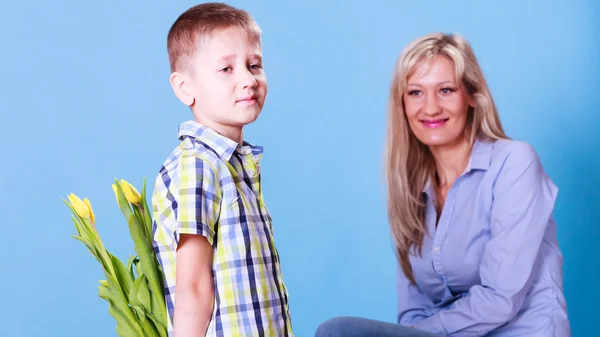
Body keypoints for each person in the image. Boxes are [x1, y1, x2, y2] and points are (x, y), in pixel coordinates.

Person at [315, 33, 570, 336]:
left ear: (472, 97)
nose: (431, 107)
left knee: (340, 331)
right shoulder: (410, 191)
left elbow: (500, 299)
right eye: (415, 93)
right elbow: (414, 309)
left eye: (446, 90)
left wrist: (418, 332)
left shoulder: (513, 164)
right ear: (402, 104)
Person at [151, 3, 293, 336]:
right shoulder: (196, 166)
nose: (248, 79)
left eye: (254, 65)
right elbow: (193, 287)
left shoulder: (234, 165)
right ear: (185, 87)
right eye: (226, 69)